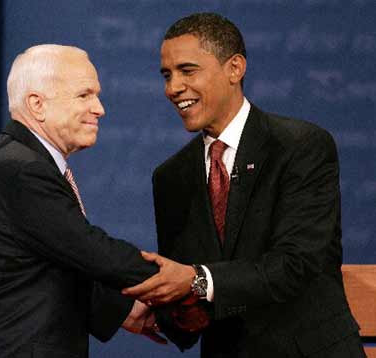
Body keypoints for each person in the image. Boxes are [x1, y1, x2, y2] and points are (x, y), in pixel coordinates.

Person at [122, 13, 365, 357]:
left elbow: (295, 265)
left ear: (234, 68)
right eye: (167, 75)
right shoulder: (170, 177)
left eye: (187, 71)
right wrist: (158, 311)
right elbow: (193, 303)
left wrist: (195, 280)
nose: (173, 88)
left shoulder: (300, 146)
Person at [0, 44, 194, 358]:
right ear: (37, 104)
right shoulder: (21, 170)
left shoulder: (21, 160)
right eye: (84, 95)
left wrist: (123, 310)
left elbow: (58, 265)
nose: (99, 108)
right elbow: (92, 251)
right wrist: (186, 282)